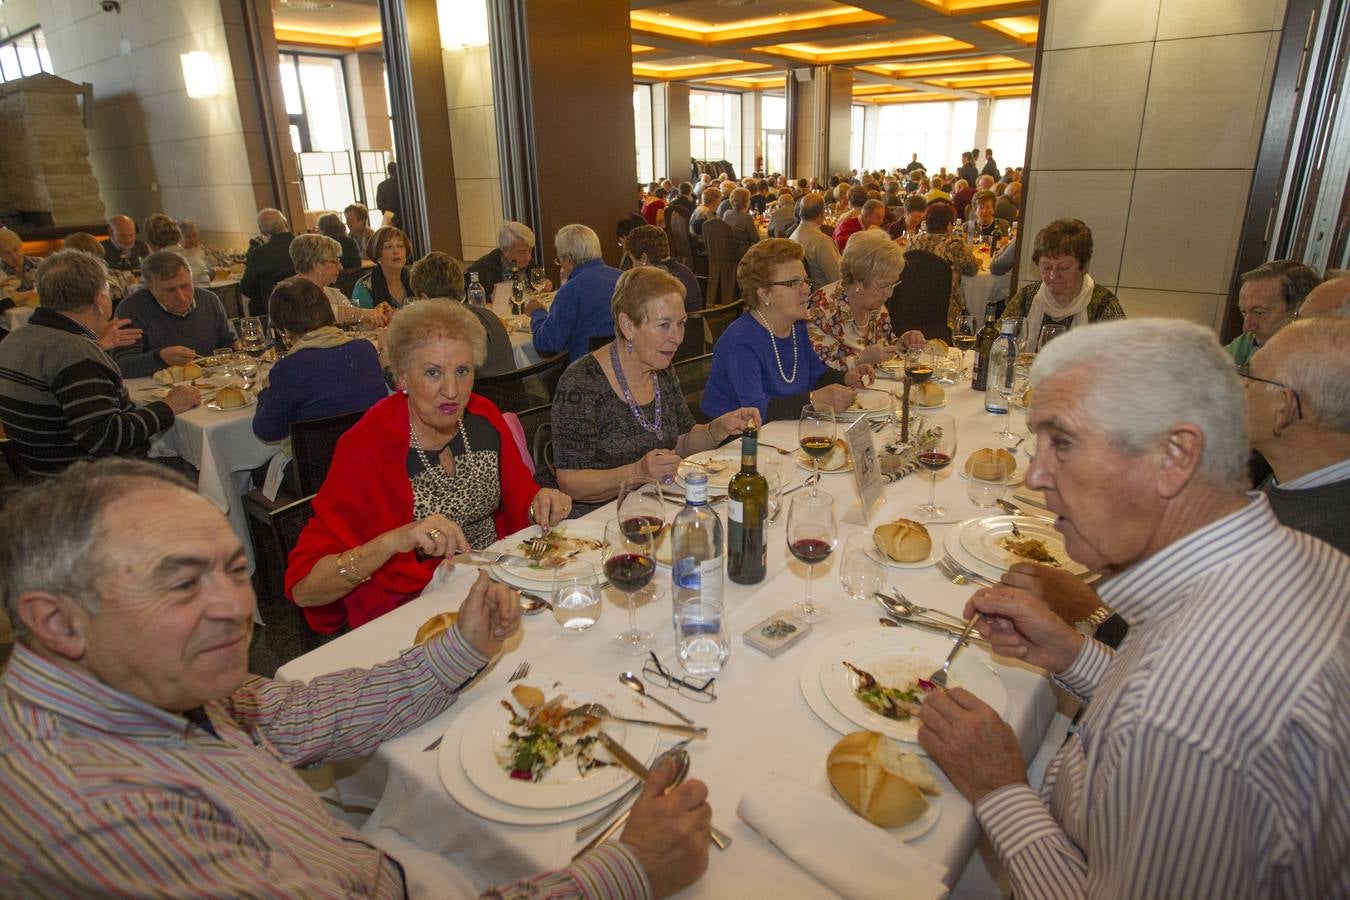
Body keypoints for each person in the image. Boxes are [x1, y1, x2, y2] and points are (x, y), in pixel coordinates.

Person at [0, 459, 712, 898]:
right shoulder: (99, 815)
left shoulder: (154, 683)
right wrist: (631, 870)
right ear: (58, 622)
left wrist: (460, 648)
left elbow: (296, 715)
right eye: (182, 585)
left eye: (235, 570)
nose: (237, 610)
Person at [917, 319, 1349, 899]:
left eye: (1062, 443)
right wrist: (1075, 653)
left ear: (1175, 456)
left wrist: (999, 789)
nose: (1034, 474)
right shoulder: (1295, 557)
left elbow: (1170, 717)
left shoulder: (1182, 708)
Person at [285, 302, 572, 634]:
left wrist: (543, 503)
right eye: (433, 372)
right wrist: (395, 540)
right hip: (414, 615)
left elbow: (524, 504)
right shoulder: (366, 447)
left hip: (497, 592)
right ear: (402, 376)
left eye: (463, 371)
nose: (452, 390)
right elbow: (305, 588)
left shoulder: (484, 418)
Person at [551, 267, 759, 514]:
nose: (677, 337)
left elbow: (682, 440)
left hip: (659, 505)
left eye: (681, 323)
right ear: (628, 325)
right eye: (664, 325)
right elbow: (570, 480)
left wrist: (717, 429)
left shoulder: (661, 368)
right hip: (602, 519)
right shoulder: (581, 383)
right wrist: (637, 472)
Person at [0, 251, 198, 476]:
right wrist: (170, 405)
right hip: (96, 482)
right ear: (98, 299)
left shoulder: (15, 338)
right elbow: (106, 437)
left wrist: (95, 347)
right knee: (202, 468)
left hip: (41, 473)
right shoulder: (75, 353)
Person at [701, 239, 872, 421]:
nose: (806, 289)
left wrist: (845, 377)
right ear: (764, 293)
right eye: (794, 283)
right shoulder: (741, 341)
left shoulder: (795, 326)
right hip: (735, 441)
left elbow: (817, 373)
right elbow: (754, 410)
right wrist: (814, 400)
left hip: (781, 432)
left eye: (805, 281)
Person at [1243, 318, 1350, 553]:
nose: (1239, 386)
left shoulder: (1314, 548)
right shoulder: (1296, 483)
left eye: (1250, 377)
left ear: (1284, 408)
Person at [253, 278, 387, 445]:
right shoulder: (365, 350)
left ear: (285, 330)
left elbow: (267, 431)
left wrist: (264, 390)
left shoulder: (290, 368)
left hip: (319, 468)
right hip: (371, 459)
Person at [807, 231, 923, 371]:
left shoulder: (875, 304)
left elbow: (885, 347)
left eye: (893, 284)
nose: (890, 293)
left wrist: (903, 343)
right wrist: (860, 360)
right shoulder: (820, 310)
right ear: (858, 281)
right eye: (884, 285)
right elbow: (814, 373)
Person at [1001, 218, 1124, 350]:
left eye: (1064, 267)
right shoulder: (1027, 297)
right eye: (1046, 267)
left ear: (1084, 266)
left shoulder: (1104, 306)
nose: (1053, 276)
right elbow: (1000, 343)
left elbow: (1122, 357)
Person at [112, 251, 237, 377]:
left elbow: (225, 343)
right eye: (170, 290)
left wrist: (238, 345)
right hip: (157, 390)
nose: (181, 297)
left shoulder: (209, 300)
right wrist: (160, 358)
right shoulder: (131, 309)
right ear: (151, 288)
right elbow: (121, 366)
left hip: (211, 382)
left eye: (185, 286)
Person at [408, 251, 516, 376]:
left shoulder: (441, 330)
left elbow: (418, 377)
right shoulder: (488, 315)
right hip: (512, 393)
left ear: (424, 298)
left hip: (475, 394)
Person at [524, 224, 620, 362]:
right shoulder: (624, 279)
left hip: (585, 372)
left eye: (559, 260)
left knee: (531, 381)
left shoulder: (572, 289)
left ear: (569, 259)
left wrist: (537, 312)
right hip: (624, 367)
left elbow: (547, 345)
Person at [1222, 260, 1321, 368]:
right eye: (1243, 312)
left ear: (1301, 309)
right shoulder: (1248, 342)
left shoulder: (1320, 360)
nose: (1247, 327)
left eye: (1259, 313)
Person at [289, 232, 387, 330]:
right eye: (335, 261)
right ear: (316, 265)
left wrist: (374, 319)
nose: (341, 267)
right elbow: (323, 312)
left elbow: (354, 328)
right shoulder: (291, 296)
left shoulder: (333, 295)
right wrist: (364, 313)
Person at [906, 201, 979, 329]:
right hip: (945, 307)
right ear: (950, 225)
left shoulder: (914, 241)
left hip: (913, 302)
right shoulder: (955, 244)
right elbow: (972, 269)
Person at [623, 224, 703, 313]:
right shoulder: (684, 270)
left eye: (633, 261)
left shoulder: (659, 282)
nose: (632, 267)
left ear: (644, 258)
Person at [240, 208, 296, 317]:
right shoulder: (303, 245)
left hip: (272, 310)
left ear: (262, 231)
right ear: (286, 223)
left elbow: (247, 288)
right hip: (304, 304)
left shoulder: (259, 254)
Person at [465, 221, 536, 297]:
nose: (528, 257)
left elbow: (536, 287)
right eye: (522, 252)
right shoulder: (482, 270)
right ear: (505, 250)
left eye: (530, 251)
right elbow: (469, 303)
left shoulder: (527, 263)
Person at [352, 226, 413, 312]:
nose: (396, 251)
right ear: (377, 254)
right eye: (388, 247)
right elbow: (361, 322)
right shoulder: (364, 288)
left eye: (400, 246)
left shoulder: (416, 280)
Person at [790, 192, 842, 291]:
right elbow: (838, 279)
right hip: (823, 298)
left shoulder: (792, 237)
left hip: (801, 293)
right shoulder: (822, 241)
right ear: (822, 213)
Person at [142, 213, 211, 286]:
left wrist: (132, 284)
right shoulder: (195, 258)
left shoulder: (154, 264)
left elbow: (142, 292)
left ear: (151, 239)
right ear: (178, 233)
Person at [0, 228, 39, 310]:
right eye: (7, 253)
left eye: (15, 249)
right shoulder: (1, 274)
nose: (14, 256)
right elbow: (7, 299)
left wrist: (21, 296)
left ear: (20, 245)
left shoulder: (41, 263)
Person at [721, 187, 761, 258]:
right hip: (742, 253)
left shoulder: (726, 213)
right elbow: (756, 239)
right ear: (747, 202)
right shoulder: (746, 217)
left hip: (727, 250)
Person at [375, 160, 401, 228]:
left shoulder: (403, 184)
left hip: (397, 216)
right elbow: (380, 204)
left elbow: (380, 204)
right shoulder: (382, 186)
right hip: (391, 217)